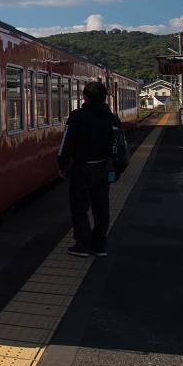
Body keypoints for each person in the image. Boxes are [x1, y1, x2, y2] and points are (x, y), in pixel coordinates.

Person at [57, 80, 116, 257]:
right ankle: (99, 245)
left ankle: (82, 245)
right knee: (101, 207)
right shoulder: (111, 117)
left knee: (80, 207)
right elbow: (118, 144)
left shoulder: (77, 116)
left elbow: (66, 143)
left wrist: (62, 165)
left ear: (85, 97)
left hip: (83, 169)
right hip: (104, 169)